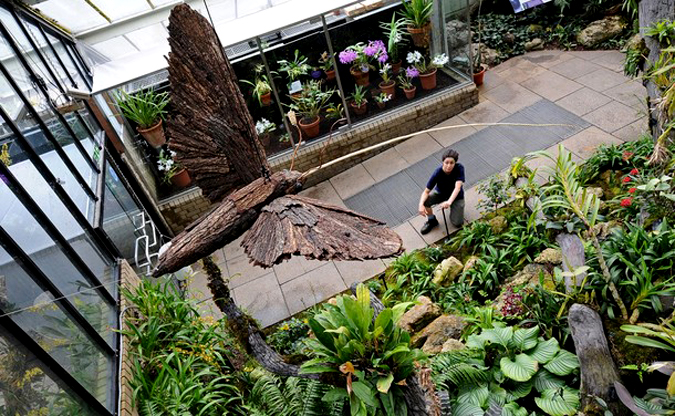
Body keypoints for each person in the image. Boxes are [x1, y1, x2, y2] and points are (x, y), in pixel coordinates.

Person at [418, 148, 465, 234]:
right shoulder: (437, 173)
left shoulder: (459, 168)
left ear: (455, 163)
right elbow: (426, 191)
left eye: (452, 163)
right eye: (446, 162)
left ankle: (455, 209)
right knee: (426, 201)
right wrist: (421, 205)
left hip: (456, 196)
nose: (449, 165)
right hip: (441, 194)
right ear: (443, 162)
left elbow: (457, 188)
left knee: (457, 223)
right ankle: (432, 221)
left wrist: (449, 202)